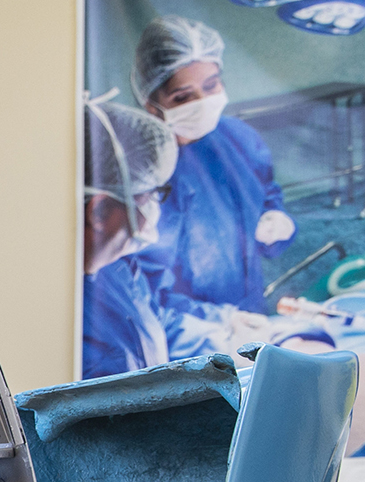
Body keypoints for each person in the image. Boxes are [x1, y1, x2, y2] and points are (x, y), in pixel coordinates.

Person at [131, 15, 294, 321]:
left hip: (248, 305)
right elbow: (142, 286)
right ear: (151, 103)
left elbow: (267, 194)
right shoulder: (142, 171)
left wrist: (276, 220)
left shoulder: (239, 138)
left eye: (211, 85)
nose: (204, 102)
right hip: (185, 329)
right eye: (183, 96)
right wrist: (221, 322)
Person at [82, 98, 178, 379]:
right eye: (149, 196)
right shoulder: (58, 313)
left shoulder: (116, 271)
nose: (153, 212)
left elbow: (152, 327)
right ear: (99, 211)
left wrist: (227, 330)